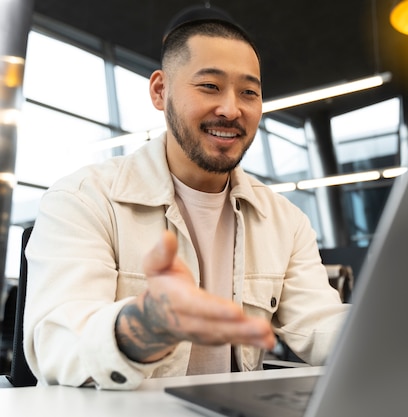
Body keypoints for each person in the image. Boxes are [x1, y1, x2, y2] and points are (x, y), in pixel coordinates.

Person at [22, 5, 349, 390]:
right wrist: (147, 324)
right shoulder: (84, 199)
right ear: (160, 91)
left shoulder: (284, 220)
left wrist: (406, 327)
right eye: (209, 86)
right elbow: (57, 345)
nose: (231, 109)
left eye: (249, 92)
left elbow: (322, 325)